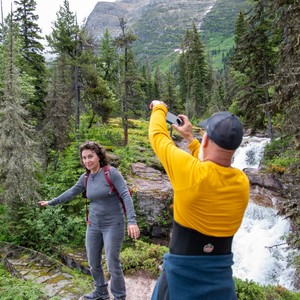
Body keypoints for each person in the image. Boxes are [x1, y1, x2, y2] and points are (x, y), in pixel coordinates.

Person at [148, 100, 249, 300]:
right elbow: (212, 170)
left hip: (180, 278)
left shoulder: (189, 172)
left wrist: (160, 107)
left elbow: (157, 136)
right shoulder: (242, 183)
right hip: (220, 282)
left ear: (206, 140)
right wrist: (190, 139)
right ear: (235, 148)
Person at [39, 141, 140, 300]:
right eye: (84, 158)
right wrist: (51, 202)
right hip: (93, 225)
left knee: (113, 263)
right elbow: (70, 192)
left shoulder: (111, 173)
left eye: (90, 156)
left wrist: (132, 221)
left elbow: (126, 195)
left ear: (99, 156)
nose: (87, 161)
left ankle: (120, 296)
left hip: (113, 224)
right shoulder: (85, 178)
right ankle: (101, 292)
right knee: (93, 262)